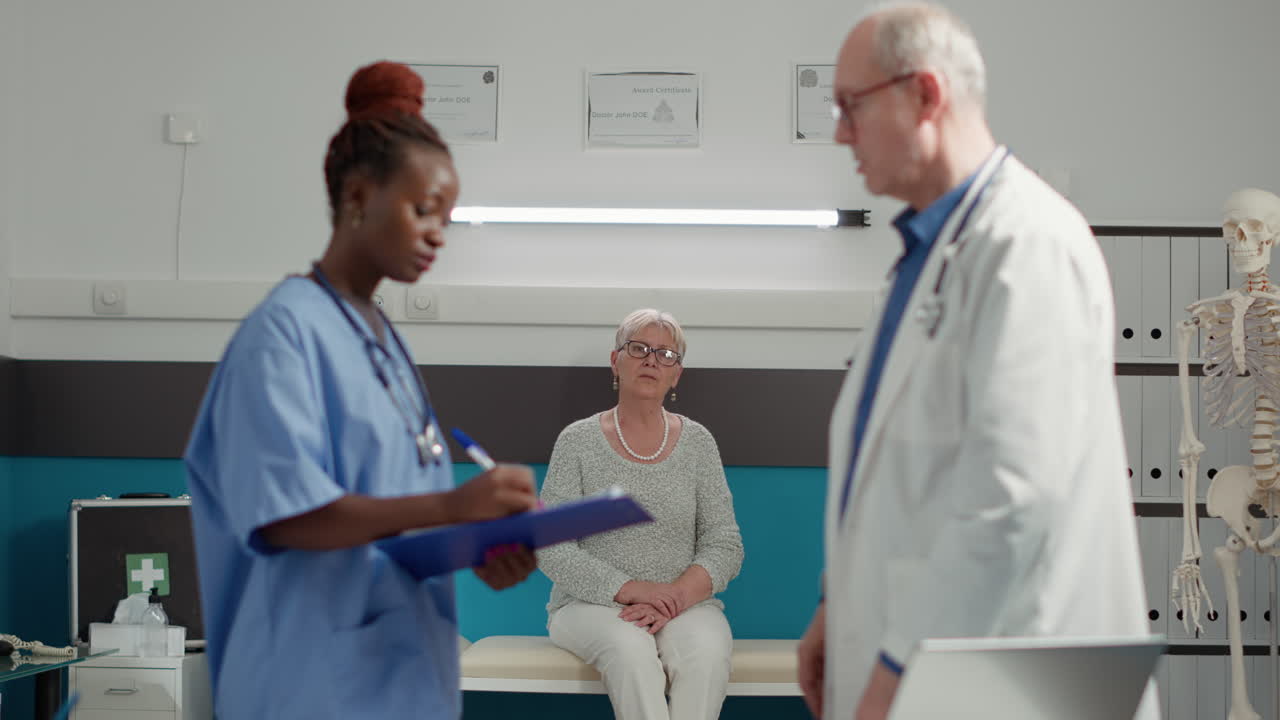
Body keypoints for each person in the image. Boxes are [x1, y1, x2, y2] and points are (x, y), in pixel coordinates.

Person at [795, 4, 1157, 719]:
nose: (840, 133)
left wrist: (896, 676)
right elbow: (899, 478)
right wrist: (836, 606)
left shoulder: (1029, 244)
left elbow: (1009, 500)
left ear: (925, 95)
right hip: (938, 659)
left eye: (850, 107)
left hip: (1003, 673)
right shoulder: (927, 259)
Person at [183, 61, 538, 720]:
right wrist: (453, 507)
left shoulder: (380, 341)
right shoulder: (283, 332)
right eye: (423, 209)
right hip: (308, 683)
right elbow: (286, 515)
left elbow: (395, 521)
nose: (438, 233)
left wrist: (476, 547)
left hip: (399, 679)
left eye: (449, 218)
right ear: (356, 197)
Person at [537, 308, 744, 720]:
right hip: (589, 606)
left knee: (705, 656)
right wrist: (633, 589)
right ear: (616, 361)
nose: (652, 359)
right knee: (631, 652)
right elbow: (552, 548)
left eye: (666, 354)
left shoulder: (699, 443)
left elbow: (725, 543)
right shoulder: (577, 441)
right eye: (639, 348)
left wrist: (674, 597)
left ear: (676, 374)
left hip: (683, 604)